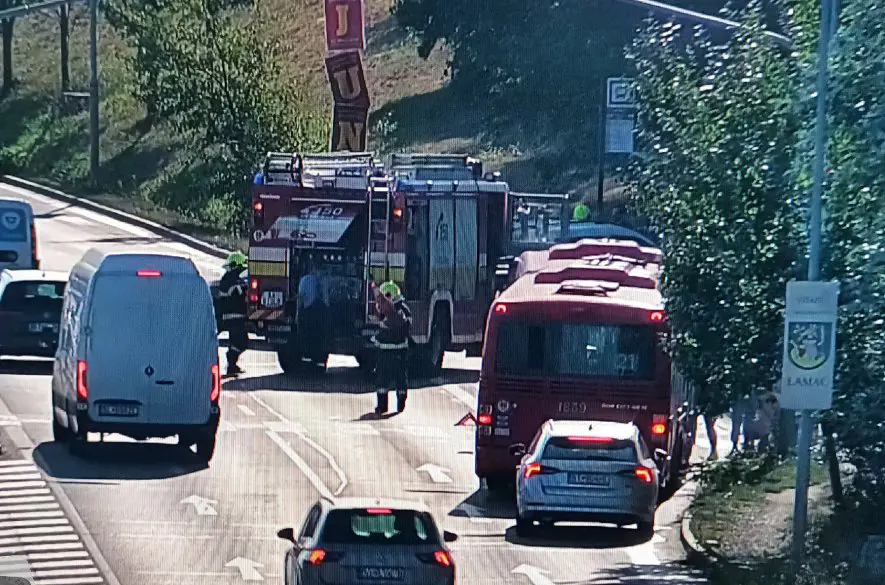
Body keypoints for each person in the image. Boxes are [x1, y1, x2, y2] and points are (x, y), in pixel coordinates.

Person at [372, 281, 412, 415]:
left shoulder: (389, 310)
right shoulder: (404, 309)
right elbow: (407, 328)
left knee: (382, 379)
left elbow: (383, 326)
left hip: (385, 351)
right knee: (400, 377)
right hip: (400, 351)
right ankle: (401, 401)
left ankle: (382, 406)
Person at [218, 251, 249, 376]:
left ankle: (232, 365)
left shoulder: (227, 278)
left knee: (237, 341)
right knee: (241, 341)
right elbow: (239, 290)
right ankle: (231, 364)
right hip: (234, 316)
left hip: (231, 316)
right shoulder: (231, 280)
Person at [296, 254, 327, 365]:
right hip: (320, 311)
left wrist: (298, 313)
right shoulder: (324, 280)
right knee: (319, 335)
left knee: (308, 334)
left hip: (308, 311)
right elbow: (326, 299)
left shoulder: (304, 280)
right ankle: (319, 358)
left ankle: (308, 355)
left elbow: (300, 297)